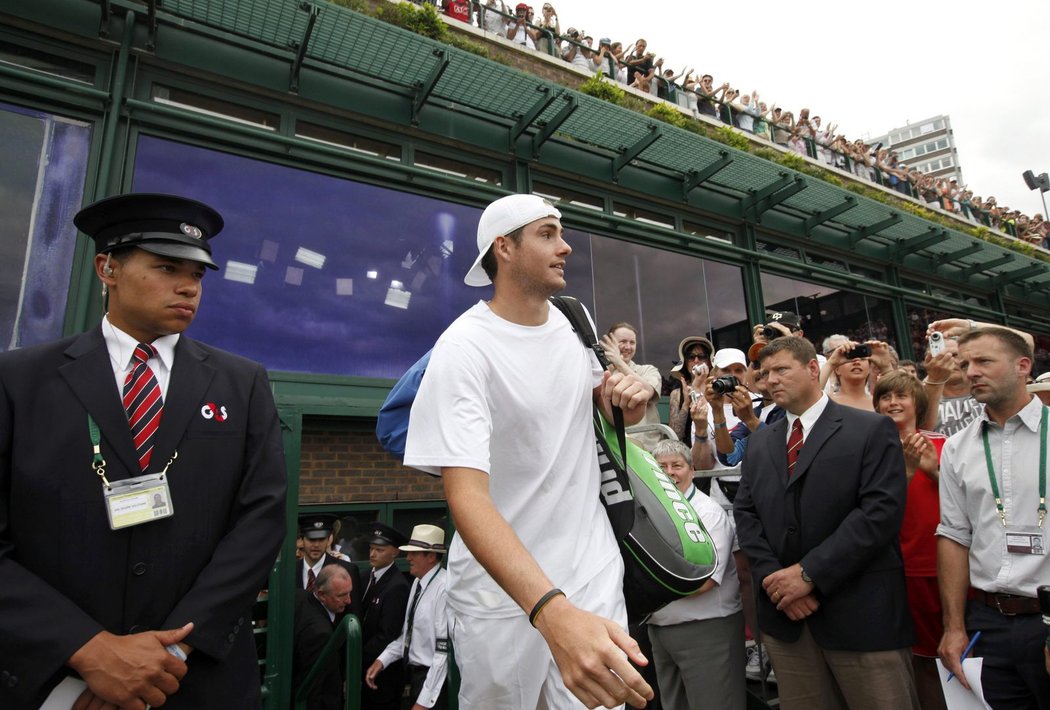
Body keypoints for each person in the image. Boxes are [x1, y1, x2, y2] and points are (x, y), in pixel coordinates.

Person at [0, 193, 287, 709]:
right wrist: (88, 651)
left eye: (198, 275)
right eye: (166, 268)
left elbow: (260, 522)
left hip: (194, 681)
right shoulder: (19, 381)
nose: (188, 287)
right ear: (106, 268)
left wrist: (168, 656)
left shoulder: (242, 383)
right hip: (57, 683)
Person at [403, 193, 655, 709]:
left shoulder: (572, 316)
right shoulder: (463, 349)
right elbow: (467, 498)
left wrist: (627, 401)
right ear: (505, 247)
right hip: (501, 599)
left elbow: (596, 413)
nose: (565, 247)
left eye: (561, 233)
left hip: (593, 571)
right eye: (547, 234)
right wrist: (551, 610)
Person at [733, 336, 919, 709]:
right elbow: (746, 514)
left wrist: (807, 575)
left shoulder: (870, 429)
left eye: (781, 369)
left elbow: (878, 514)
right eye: (765, 373)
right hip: (788, 622)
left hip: (861, 618)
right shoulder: (760, 442)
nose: (770, 380)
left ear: (814, 369)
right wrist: (777, 583)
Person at [936, 327, 1050, 708]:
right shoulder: (956, 447)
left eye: (984, 361)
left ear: (1023, 366)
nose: (970, 372)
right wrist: (954, 628)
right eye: (965, 363)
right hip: (988, 623)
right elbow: (953, 537)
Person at [647, 439, 745, 710]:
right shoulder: (648, 510)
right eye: (661, 467)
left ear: (692, 470)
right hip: (660, 628)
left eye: (676, 465)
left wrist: (647, 590)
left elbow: (705, 581)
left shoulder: (708, 512)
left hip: (707, 628)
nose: (669, 472)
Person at [872, 372, 948, 710]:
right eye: (885, 398)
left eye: (900, 396)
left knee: (967, 654)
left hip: (947, 567)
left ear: (916, 403)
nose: (892, 403)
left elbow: (974, 502)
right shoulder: (870, 451)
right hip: (899, 569)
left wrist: (933, 471)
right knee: (921, 660)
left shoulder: (945, 443)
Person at [366, 524, 450, 710]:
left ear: (431, 556)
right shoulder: (417, 583)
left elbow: (442, 653)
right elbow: (407, 635)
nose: (408, 557)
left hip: (433, 683)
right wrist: (382, 660)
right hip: (416, 678)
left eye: (414, 553)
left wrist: (424, 701)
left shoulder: (444, 588)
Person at [360, 523, 411, 710]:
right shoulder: (365, 577)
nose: (373, 554)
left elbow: (387, 634)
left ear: (395, 553)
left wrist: (358, 656)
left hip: (383, 675)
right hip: (364, 669)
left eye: (380, 550)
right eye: (371, 548)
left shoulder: (397, 586)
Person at [293, 565, 355, 710]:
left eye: (349, 593)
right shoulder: (320, 634)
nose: (349, 601)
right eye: (341, 595)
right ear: (321, 594)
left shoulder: (299, 596)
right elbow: (313, 689)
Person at [601, 322, 662, 450]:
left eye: (632, 342)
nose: (628, 347)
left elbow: (646, 392)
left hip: (646, 450)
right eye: (623, 341)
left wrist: (618, 361)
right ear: (609, 344)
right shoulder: (600, 372)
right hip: (610, 448)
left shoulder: (648, 370)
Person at [298, 514, 362, 614]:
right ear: (302, 540)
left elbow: (353, 616)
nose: (316, 545)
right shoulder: (288, 571)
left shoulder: (348, 570)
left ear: (329, 540)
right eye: (312, 539)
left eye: (321, 539)